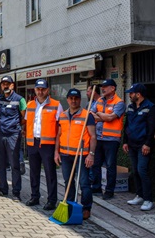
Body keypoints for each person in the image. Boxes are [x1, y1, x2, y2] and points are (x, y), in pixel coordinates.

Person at [55, 88, 97, 220]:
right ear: (67, 99)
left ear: (80, 99)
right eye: (71, 98)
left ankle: (86, 208)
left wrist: (91, 154)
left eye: (76, 98)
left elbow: (93, 136)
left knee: (84, 183)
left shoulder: (87, 115)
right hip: (65, 155)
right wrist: (56, 152)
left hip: (81, 155)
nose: (73, 101)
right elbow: (59, 135)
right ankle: (70, 205)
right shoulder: (62, 115)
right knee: (68, 182)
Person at [24, 79, 61, 209]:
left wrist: (57, 148)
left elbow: (60, 127)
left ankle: (52, 200)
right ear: (34, 90)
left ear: (47, 90)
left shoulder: (56, 104)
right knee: (33, 172)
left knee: (50, 173)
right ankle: (35, 196)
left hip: (48, 144)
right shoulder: (30, 105)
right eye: (38, 89)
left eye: (43, 89)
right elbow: (27, 123)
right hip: (33, 142)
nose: (40, 92)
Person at [89, 78, 125, 199]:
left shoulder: (119, 103)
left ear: (113, 88)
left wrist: (99, 115)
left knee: (110, 166)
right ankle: (96, 188)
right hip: (99, 137)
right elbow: (91, 113)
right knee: (96, 164)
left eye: (105, 86)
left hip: (112, 139)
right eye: (102, 87)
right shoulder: (99, 100)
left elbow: (111, 118)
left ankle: (109, 191)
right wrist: (103, 116)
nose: (102, 89)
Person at [122, 83, 155, 211]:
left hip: (143, 145)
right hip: (132, 145)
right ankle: (140, 195)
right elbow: (127, 126)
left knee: (142, 170)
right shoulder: (130, 107)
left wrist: (147, 144)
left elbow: (151, 128)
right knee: (135, 171)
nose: (129, 95)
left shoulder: (150, 107)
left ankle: (148, 200)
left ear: (138, 94)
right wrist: (125, 141)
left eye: (131, 93)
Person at [0, 75, 25, 199]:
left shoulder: (19, 99)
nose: (5, 86)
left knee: (14, 165)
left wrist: (15, 127)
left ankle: (16, 192)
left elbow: (24, 117)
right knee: (0, 164)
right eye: (3, 84)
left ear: (12, 85)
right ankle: (2, 189)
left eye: (7, 84)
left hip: (13, 136)